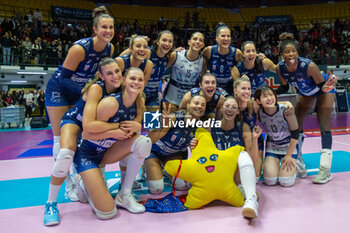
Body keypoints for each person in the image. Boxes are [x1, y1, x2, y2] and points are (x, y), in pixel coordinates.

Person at [43, 58, 124, 226]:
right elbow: (87, 125)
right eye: (109, 73)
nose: (115, 76)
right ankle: (50, 204)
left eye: (117, 71)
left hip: (96, 128)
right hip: (76, 122)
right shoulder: (96, 88)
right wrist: (117, 126)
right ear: (100, 76)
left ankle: (91, 183)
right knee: (65, 153)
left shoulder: (123, 90)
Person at [44, 5, 115, 197]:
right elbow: (62, 78)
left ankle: (81, 177)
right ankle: (68, 186)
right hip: (59, 90)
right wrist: (84, 90)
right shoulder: (79, 48)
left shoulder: (110, 48)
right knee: (61, 139)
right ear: (95, 29)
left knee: (82, 136)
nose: (108, 31)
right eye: (104, 27)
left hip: (79, 91)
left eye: (111, 27)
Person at [74, 67, 150, 220]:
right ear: (124, 81)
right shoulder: (110, 103)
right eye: (132, 78)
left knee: (143, 142)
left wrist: (138, 126)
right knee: (107, 213)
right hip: (88, 154)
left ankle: (124, 194)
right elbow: (86, 133)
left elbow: (136, 127)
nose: (136, 82)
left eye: (140, 79)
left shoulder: (140, 101)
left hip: (107, 152)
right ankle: (82, 181)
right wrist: (114, 132)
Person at [276, 32, 337, 184]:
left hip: (323, 89)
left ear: (297, 52)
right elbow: (284, 88)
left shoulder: (309, 66)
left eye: (293, 51)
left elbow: (322, 87)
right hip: (305, 92)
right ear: (281, 54)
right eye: (287, 52)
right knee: (296, 122)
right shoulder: (280, 68)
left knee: (322, 120)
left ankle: (325, 169)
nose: (291, 54)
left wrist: (329, 86)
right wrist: (266, 94)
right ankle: (298, 160)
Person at [190, 96, 260, 219]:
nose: (230, 110)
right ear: (221, 109)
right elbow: (201, 157)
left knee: (243, 154)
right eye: (227, 106)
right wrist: (193, 147)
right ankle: (247, 193)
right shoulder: (210, 127)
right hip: (216, 174)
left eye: (234, 107)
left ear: (238, 111)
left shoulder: (243, 128)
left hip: (235, 176)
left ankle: (251, 201)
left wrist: (255, 139)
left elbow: (252, 160)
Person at [145, 95, 206, 195]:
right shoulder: (173, 118)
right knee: (156, 189)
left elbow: (195, 154)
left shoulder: (201, 127)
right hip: (154, 152)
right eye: (196, 103)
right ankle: (146, 168)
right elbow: (148, 140)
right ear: (188, 105)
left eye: (202, 105)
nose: (199, 106)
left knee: (182, 186)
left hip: (172, 155)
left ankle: (166, 170)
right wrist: (163, 127)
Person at [254, 86, 298, 187]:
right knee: (270, 181)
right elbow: (249, 101)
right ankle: (275, 165)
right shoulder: (259, 112)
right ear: (258, 101)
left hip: (288, 147)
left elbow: (295, 133)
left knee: (286, 182)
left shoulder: (286, 110)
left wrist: (288, 155)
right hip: (272, 147)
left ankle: (297, 164)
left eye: (271, 95)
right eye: (265, 96)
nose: (269, 98)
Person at [119, 31, 174, 111]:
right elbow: (122, 58)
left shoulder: (169, 57)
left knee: (152, 120)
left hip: (153, 96)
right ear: (158, 42)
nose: (167, 43)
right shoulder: (147, 52)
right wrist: (134, 41)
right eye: (164, 40)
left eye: (170, 41)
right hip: (139, 93)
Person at [164, 32, 205, 109]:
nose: (197, 42)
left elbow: (202, 80)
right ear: (189, 42)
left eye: (200, 40)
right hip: (171, 98)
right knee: (168, 120)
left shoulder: (203, 61)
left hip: (189, 101)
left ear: (203, 45)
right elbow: (163, 71)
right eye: (195, 39)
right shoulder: (176, 55)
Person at [202, 25, 243, 96]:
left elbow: (245, 65)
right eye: (223, 36)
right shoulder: (209, 50)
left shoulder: (237, 53)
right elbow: (197, 58)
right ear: (217, 38)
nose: (226, 39)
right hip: (212, 86)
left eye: (228, 36)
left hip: (229, 87)